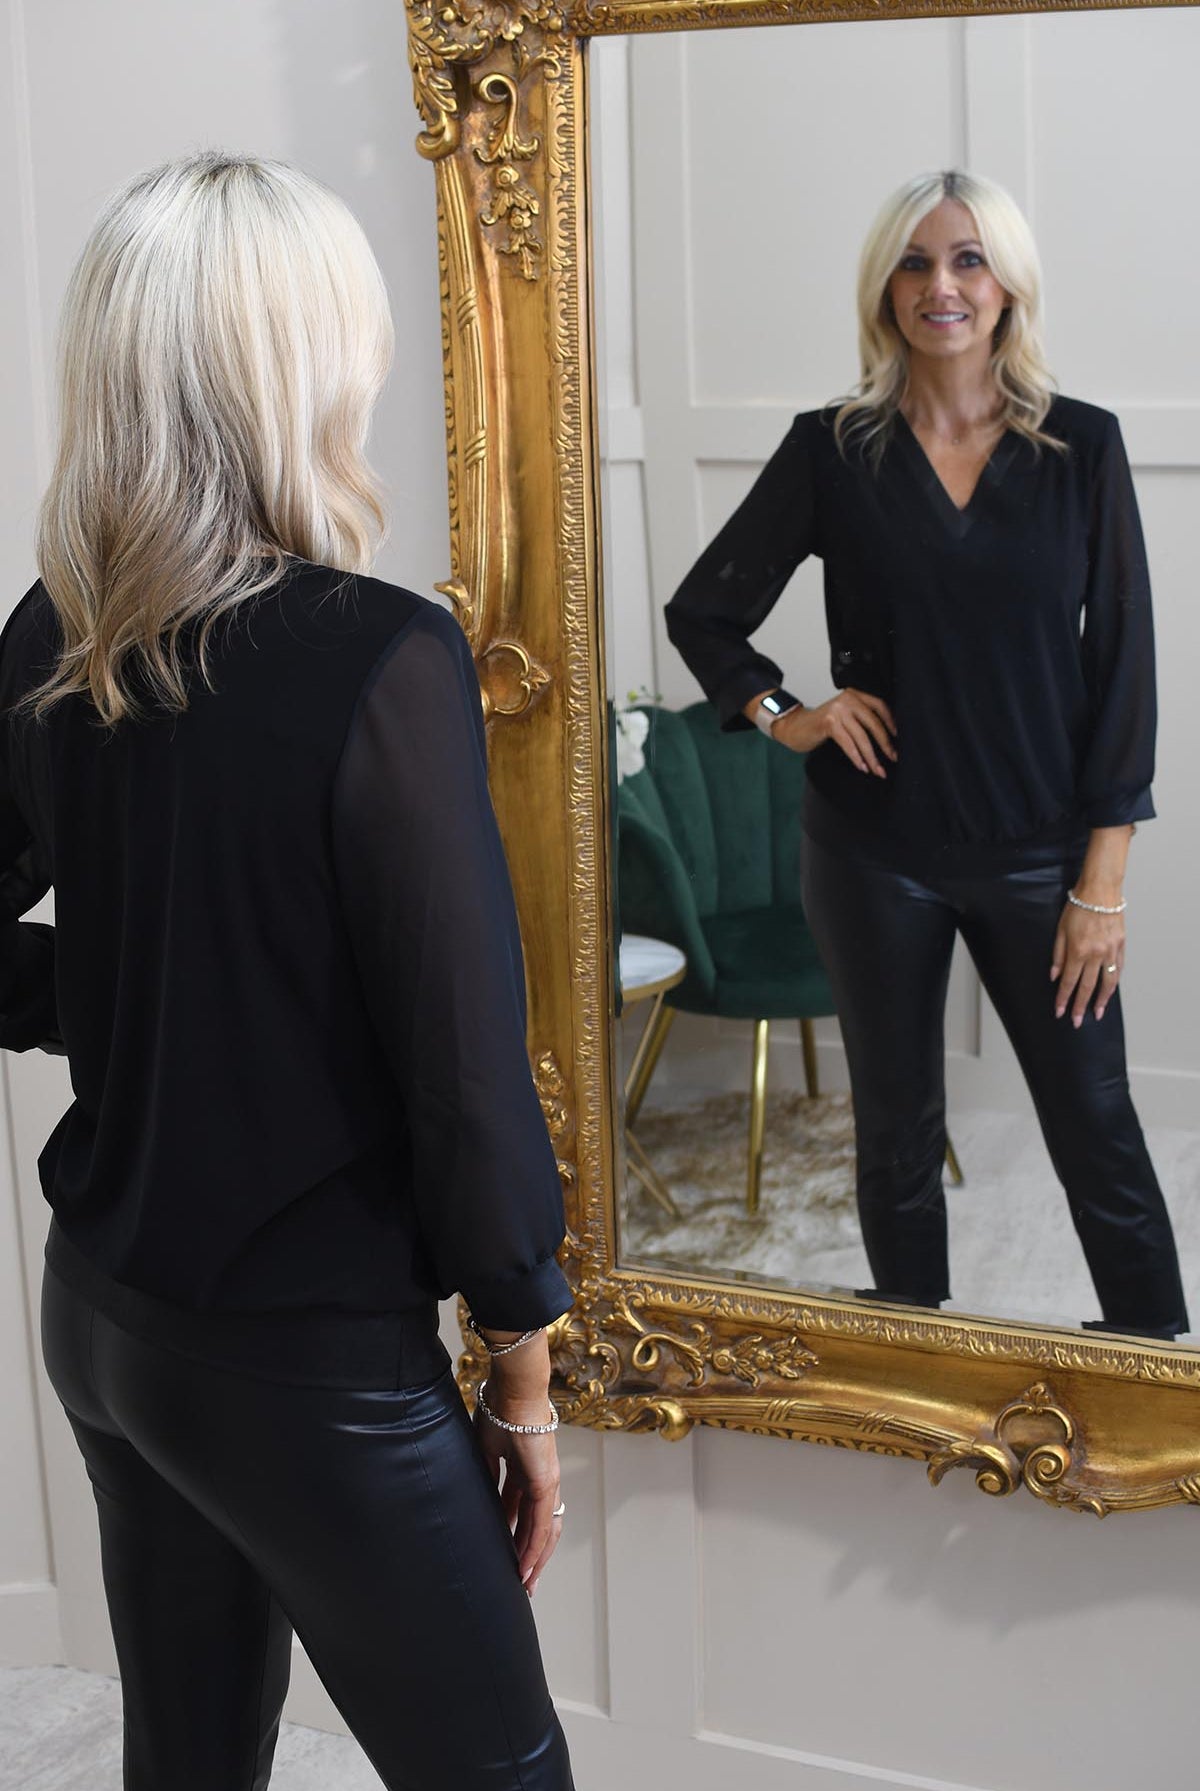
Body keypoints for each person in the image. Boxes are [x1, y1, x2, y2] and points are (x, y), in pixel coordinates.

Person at [0, 152, 575, 1790]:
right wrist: (523, 1370)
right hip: (309, 1366)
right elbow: (463, 1072)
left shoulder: (60, 623)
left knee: (189, 1763)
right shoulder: (382, 654)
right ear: (309, 359)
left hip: (106, 1323)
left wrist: (133, 1001)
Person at [664, 169, 1189, 1341]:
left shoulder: (1080, 448)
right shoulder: (832, 449)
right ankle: (913, 1355)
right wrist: (784, 712)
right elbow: (706, 611)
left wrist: (1102, 884)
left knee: (1095, 1125)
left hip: (1042, 857)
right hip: (872, 851)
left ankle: (1156, 1365)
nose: (939, 285)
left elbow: (1126, 671)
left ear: (1007, 287)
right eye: (912, 262)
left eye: (966, 259)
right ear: (883, 288)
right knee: (897, 1128)